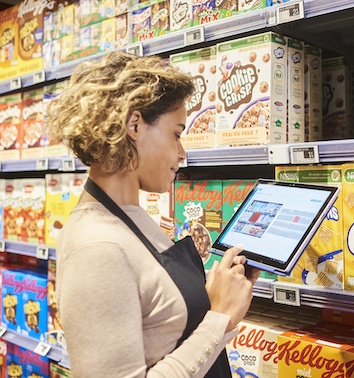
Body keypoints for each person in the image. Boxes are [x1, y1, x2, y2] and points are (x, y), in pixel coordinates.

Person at [46, 50, 260, 377]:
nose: (182, 152)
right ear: (135, 124)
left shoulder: (129, 215)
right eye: (176, 134)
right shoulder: (96, 247)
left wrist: (217, 294)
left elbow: (159, 326)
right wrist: (219, 319)